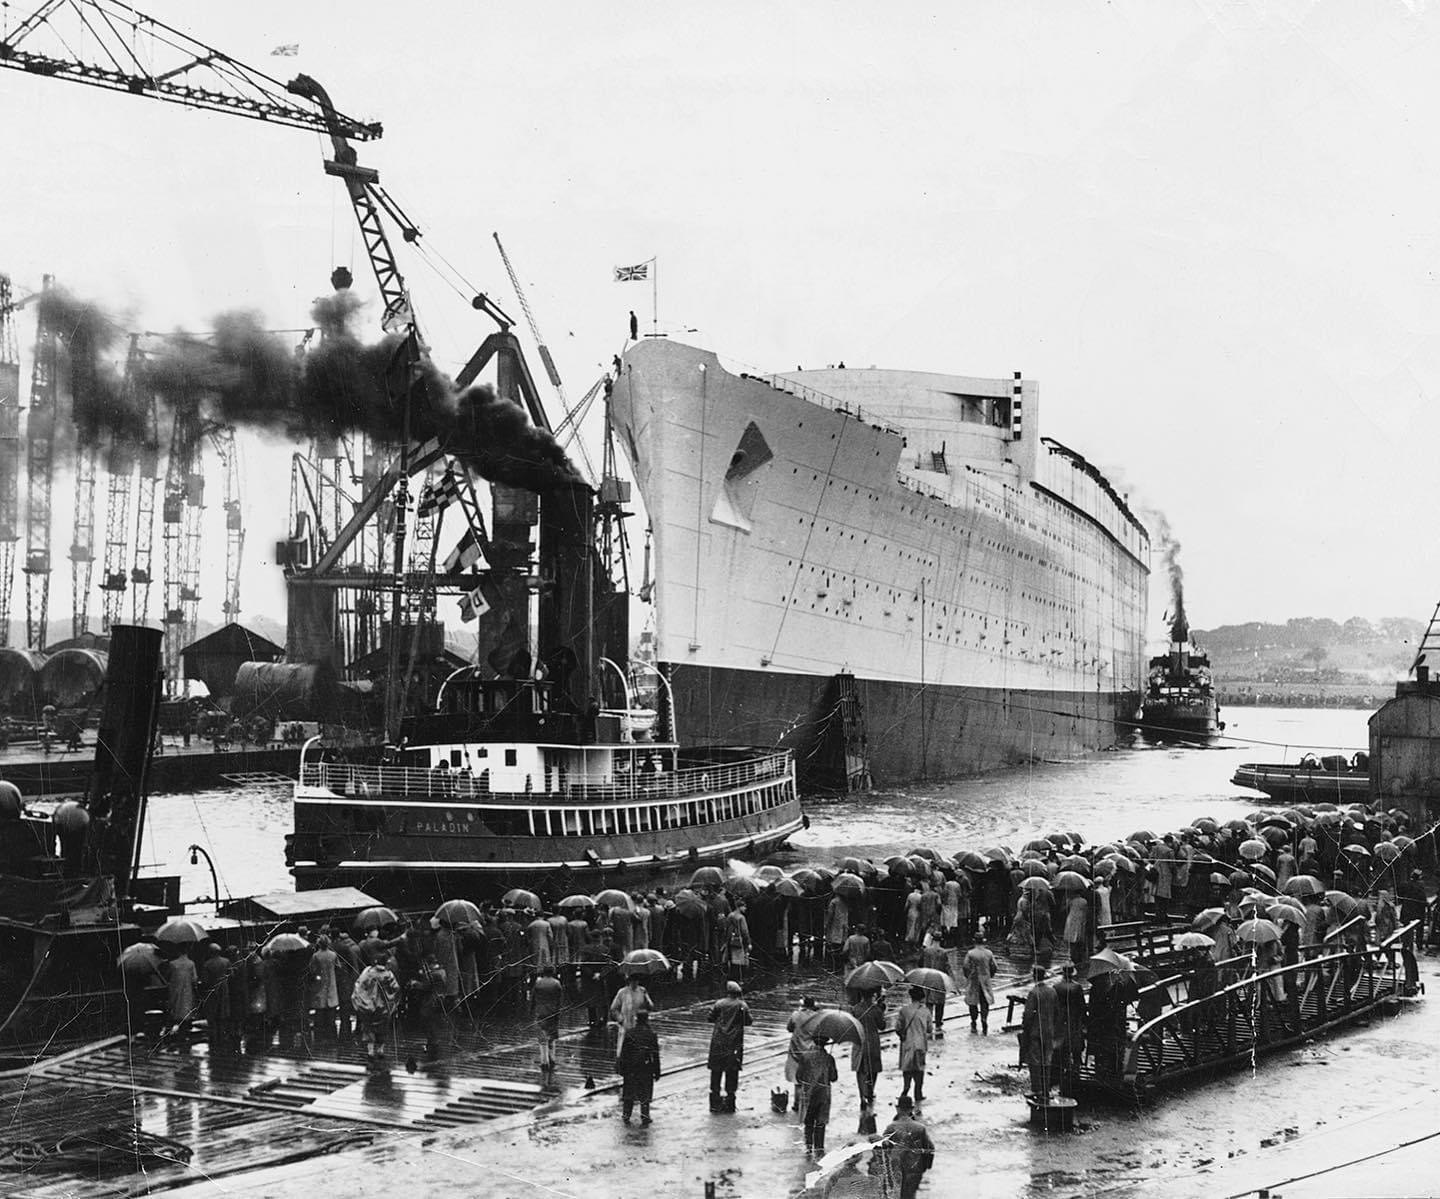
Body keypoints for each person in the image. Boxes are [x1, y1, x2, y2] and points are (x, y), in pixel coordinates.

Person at [874, 1094, 935, 1199]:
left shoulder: (891, 1128)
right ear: (911, 1109)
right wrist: (926, 1166)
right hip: (915, 1169)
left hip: (896, 1169)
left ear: (897, 1109)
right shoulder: (920, 1128)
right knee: (910, 1195)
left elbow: (883, 1149)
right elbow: (930, 1148)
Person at [707, 980, 752, 1112]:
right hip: (734, 1043)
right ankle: (730, 1102)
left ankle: (715, 1102)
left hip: (718, 1042)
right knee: (732, 1072)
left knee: (716, 1071)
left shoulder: (719, 1004)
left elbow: (710, 1018)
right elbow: (748, 1021)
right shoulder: (742, 1005)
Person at [352, 954, 401, 1069]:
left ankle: (370, 1052)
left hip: (370, 1006)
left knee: (369, 1029)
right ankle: (380, 1050)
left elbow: (360, 985)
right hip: (384, 1006)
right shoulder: (389, 975)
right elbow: (396, 988)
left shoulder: (369, 973)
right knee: (382, 1029)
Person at [795, 1033, 838, 1158]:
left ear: (813, 1041)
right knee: (820, 1122)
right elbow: (834, 1077)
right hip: (823, 1094)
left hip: (808, 1093)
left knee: (808, 1120)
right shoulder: (829, 1058)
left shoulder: (805, 1056)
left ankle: (808, 1145)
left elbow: (799, 1077)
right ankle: (819, 1147)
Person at [617, 1008, 661, 1125]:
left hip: (631, 1068)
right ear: (647, 1020)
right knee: (645, 1093)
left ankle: (626, 1115)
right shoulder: (651, 1035)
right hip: (645, 1068)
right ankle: (645, 1115)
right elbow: (655, 1055)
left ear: (636, 1019)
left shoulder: (630, 1033)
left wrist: (621, 1068)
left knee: (629, 1093)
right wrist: (657, 1072)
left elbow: (624, 1053)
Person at [1021, 965, 1059, 1101]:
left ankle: (1036, 1089)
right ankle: (1046, 1089)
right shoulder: (1052, 991)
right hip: (1049, 1031)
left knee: (1035, 1061)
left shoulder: (1034, 992)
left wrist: (1025, 1027)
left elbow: (1028, 1014)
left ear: (1034, 976)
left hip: (1035, 1032)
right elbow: (1056, 1012)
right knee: (1047, 1060)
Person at [1052, 963, 1087, 1096]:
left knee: (1061, 1043)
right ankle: (1076, 1069)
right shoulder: (1077, 987)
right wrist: (1084, 1020)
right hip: (1073, 1017)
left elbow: (1054, 1005)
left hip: (1061, 1018)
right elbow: (1082, 1005)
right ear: (1073, 973)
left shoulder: (1056, 987)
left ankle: (1061, 1071)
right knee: (1076, 1043)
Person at [849, 988, 885, 1115]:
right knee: (873, 1069)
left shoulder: (855, 1009)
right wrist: (882, 1010)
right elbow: (882, 1026)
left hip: (859, 1040)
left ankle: (861, 1096)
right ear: (873, 995)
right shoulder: (876, 1010)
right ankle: (870, 1092)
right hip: (873, 1041)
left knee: (860, 1069)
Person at [896, 986, 932, 1104]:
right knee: (919, 1068)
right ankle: (918, 1092)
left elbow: (898, 1027)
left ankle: (906, 1088)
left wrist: (902, 1034)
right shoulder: (925, 1011)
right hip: (920, 1043)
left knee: (907, 1067)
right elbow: (930, 1029)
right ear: (922, 997)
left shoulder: (904, 1010)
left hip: (907, 1043)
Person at [786, 996, 817, 1115]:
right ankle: (807, 1104)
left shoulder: (795, 1014)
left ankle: (796, 1104)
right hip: (810, 1050)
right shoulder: (817, 1017)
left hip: (796, 1049)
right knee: (808, 1078)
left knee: (797, 1079)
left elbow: (789, 1028)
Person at [609, 973, 654, 1055]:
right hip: (626, 1024)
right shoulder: (622, 992)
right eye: (632, 981)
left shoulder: (642, 991)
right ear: (629, 981)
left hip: (640, 1025)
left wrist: (646, 998)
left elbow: (650, 1006)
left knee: (639, 1049)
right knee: (624, 1049)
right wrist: (621, 1019)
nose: (634, 983)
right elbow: (614, 1008)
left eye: (636, 980)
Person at [532, 964, 565, 1077]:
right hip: (552, 1012)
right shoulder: (556, 983)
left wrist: (533, 1009)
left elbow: (533, 997)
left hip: (540, 1011)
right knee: (552, 1035)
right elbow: (560, 999)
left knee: (542, 1036)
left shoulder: (538, 982)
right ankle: (552, 1058)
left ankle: (543, 1060)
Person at [962, 932, 997, 1034]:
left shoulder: (971, 953)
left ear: (974, 941)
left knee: (972, 1002)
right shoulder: (989, 953)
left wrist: (968, 976)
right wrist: (989, 975)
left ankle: (973, 1021)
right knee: (984, 1002)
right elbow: (994, 966)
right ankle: (984, 1019)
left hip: (974, 980)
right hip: (985, 980)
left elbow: (965, 966)